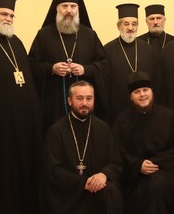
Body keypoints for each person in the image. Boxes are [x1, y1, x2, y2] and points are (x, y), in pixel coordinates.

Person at [0, 0, 43, 214]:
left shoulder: (16, 42)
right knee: (2, 175)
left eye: (11, 15)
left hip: (22, 127)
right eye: (4, 14)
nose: (8, 18)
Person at [29, 0, 108, 129]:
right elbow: (31, 64)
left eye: (73, 6)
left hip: (84, 104)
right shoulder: (44, 35)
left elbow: (104, 64)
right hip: (54, 101)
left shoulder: (90, 35)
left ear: (78, 9)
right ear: (57, 9)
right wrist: (51, 68)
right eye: (64, 6)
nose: (69, 10)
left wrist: (85, 69)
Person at [41, 80, 124, 214]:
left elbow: (115, 162)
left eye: (89, 98)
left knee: (111, 192)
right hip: (69, 195)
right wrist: (83, 183)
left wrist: (104, 174)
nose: (85, 103)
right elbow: (52, 170)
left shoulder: (102, 128)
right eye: (79, 98)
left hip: (99, 192)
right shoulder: (56, 131)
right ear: (69, 101)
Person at [112, 72, 174, 214]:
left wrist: (154, 163)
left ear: (152, 92)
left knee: (155, 187)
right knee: (148, 188)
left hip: (166, 172)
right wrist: (138, 165)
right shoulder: (122, 122)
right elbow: (117, 151)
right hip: (134, 176)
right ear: (131, 97)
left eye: (145, 90)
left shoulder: (168, 116)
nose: (142, 95)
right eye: (137, 92)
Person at [103, 3, 157, 124]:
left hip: (145, 108)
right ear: (119, 26)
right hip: (118, 108)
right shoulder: (107, 50)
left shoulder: (149, 50)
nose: (130, 28)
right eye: (126, 24)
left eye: (134, 24)